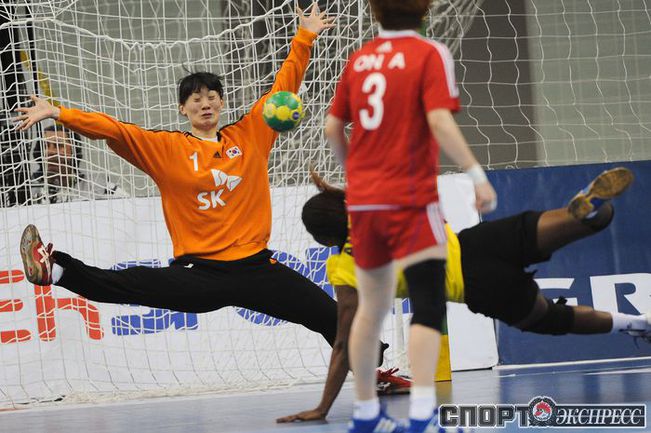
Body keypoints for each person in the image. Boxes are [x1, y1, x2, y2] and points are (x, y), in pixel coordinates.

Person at [14, 5, 343, 356]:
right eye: (196, 99)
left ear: (222, 103)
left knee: (331, 315)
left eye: (212, 97)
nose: (206, 104)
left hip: (257, 268)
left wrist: (305, 36)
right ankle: (56, 270)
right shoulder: (166, 148)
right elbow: (114, 130)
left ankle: (374, 366)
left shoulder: (251, 135)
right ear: (182, 108)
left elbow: (284, 86)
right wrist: (59, 113)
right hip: (200, 274)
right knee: (128, 283)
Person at [277, 166, 648, 424]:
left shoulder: (345, 268)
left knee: (550, 317)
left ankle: (636, 324)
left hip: (479, 286)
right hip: (482, 241)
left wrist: (322, 407)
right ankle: (584, 208)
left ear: (323, 237)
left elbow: (345, 344)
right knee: (591, 218)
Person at [324, 1, 497, 432]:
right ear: (425, 9)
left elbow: (332, 128)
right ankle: (422, 415)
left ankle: (366, 413)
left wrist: (354, 177)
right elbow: (438, 120)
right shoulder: (429, 53)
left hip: (365, 205)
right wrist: (477, 175)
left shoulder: (360, 59)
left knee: (370, 308)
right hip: (411, 200)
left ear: (373, 11)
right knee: (427, 302)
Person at [29, 125, 128, 204]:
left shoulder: (100, 188)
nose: (50, 151)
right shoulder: (27, 190)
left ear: (74, 151)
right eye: (45, 146)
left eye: (59, 145)